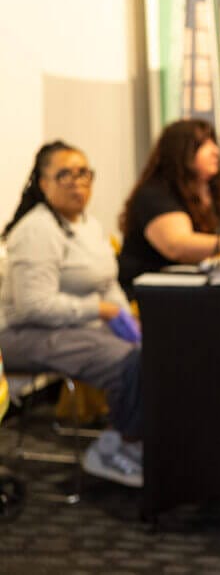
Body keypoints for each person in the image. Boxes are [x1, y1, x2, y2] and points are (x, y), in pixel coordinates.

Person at [0, 141, 144, 487]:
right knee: (130, 361)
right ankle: (118, 447)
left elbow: (107, 283)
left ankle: (140, 438)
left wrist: (129, 320)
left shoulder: (89, 225)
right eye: (64, 174)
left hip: (75, 326)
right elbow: (33, 306)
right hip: (22, 333)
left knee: (153, 348)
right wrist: (100, 310)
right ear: (43, 183)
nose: (77, 182)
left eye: (83, 173)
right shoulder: (36, 230)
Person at [117, 119, 220, 300]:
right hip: (157, 295)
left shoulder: (217, 184)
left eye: (213, 142)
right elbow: (179, 246)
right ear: (181, 152)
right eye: (204, 144)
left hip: (203, 289)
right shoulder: (156, 193)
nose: (215, 151)